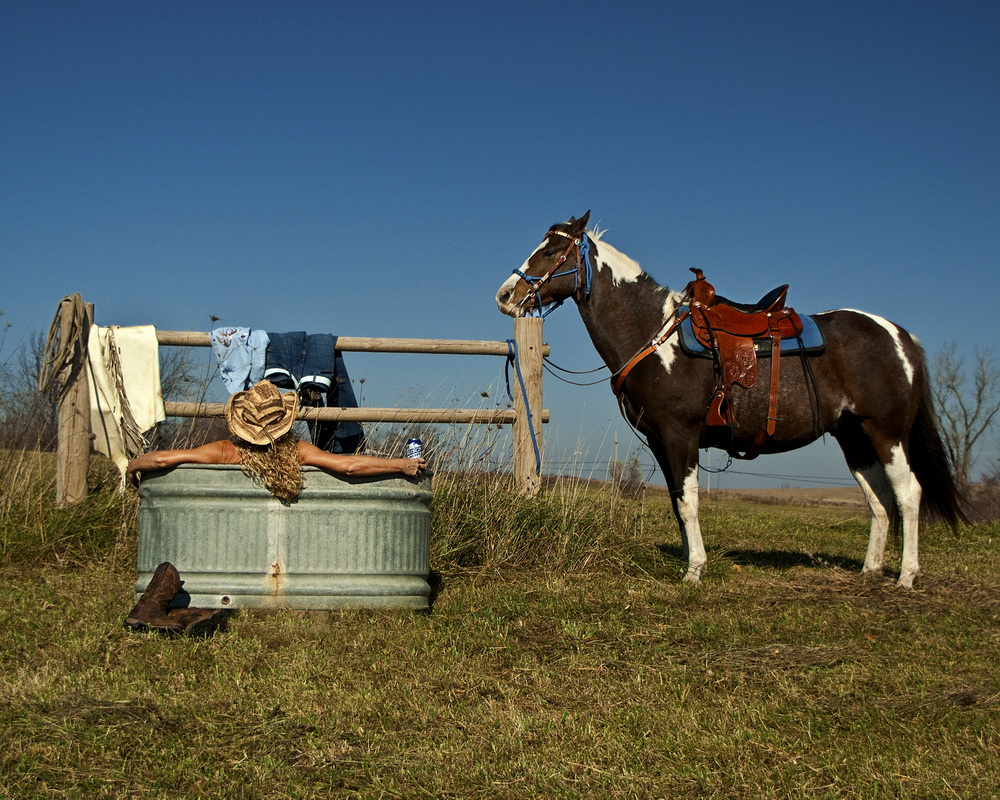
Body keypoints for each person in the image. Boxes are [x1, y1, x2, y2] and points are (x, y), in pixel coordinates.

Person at [126, 379, 427, 501]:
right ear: (283, 422)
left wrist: (133, 467)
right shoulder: (298, 451)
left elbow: (164, 459)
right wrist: (401, 464)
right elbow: (347, 466)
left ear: (243, 422)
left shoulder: (226, 452)